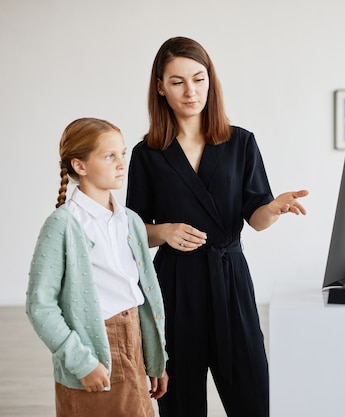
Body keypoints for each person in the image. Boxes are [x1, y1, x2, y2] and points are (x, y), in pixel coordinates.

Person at [126, 36, 309, 417]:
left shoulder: (240, 142)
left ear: (211, 81)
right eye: (177, 82)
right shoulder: (147, 153)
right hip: (175, 286)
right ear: (160, 87)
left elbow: (256, 219)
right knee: (180, 402)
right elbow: (132, 229)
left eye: (199, 79)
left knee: (254, 397)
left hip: (230, 280)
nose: (191, 91)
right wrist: (165, 232)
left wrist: (273, 208)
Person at [25, 118, 168, 417]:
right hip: (94, 346)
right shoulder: (63, 224)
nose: (121, 164)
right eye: (109, 156)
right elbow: (41, 306)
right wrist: (83, 363)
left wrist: (155, 359)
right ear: (79, 165)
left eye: (123, 154)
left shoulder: (130, 221)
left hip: (135, 340)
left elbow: (140, 293)